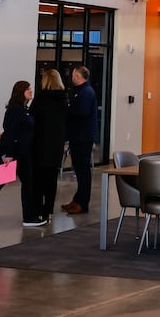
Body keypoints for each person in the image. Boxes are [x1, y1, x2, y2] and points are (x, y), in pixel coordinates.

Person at [0, 80, 36, 227]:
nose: (31, 91)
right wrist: (8, 155)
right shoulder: (16, 110)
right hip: (13, 153)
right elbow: (10, 133)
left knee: (27, 183)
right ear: (20, 91)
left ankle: (29, 217)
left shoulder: (22, 109)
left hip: (20, 152)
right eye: (28, 89)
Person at [30, 69, 68, 222]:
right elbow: (66, 122)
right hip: (55, 144)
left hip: (39, 143)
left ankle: (38, 209)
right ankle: (49, 210)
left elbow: (32, 119)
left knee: (38, 178)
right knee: (52, 179)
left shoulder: (40, 98)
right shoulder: (63, 99)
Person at [61, 66, 98, 215]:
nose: (72, 78)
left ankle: (83, 204)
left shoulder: (86, 92)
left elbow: (81, 112)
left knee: (83, 171)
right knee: (79, 169)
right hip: (78, 136)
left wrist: (68, 108)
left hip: (83, 137)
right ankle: (77, 199)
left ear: (79, 76)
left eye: (74, 75)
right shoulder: (80, 92)